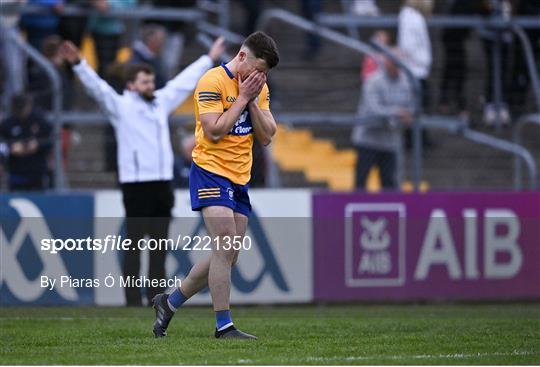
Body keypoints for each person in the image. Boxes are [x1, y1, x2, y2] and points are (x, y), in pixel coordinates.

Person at [58, 37, 226, 306]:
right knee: (135, 245)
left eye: (151, 81)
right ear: (131, 85)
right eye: (145, 82)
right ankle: (132, 300)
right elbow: (97, 88)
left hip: (162, 183)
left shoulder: (160, 101)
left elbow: (183, 82)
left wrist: (209, 57)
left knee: (159, 246)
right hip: (135, 185)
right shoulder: (121, 106)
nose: (151, 86)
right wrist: (78, 63)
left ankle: (155, 298)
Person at [151, 31, 279, 340]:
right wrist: (245, 100)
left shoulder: (257, 87)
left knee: (229, 254)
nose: (260, 77)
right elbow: (215, 130)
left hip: (240, 177)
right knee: (224, 243)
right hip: (210, 171)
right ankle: (224, 326)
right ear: (242, 56)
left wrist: (253, 103)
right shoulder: (212, 81)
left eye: (265, 73)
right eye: (258, 69)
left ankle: (169, 303)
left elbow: (267, 135)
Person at [352, 49, 414, 190]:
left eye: (400, 62)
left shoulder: (407, 83)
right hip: (368, 140)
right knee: (360, 181)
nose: (397, 65)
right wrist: (398, 113)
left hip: (389, 142)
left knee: (389, 184)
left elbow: (411, 107)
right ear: (386, 61)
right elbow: (374, 109)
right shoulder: (373, 81)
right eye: (394, 61)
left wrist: (407, 114)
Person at [0, 94, 52, 191]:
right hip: (16, 172)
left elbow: (50, 141)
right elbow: (2, 144)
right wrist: (11, 148)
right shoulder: (8, 124)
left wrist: (37, 145)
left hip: (37, 172)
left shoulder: (40, 121)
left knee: (39, 200)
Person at [130, 24, 167, 89]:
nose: (163, 44)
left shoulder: (153, 58)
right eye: (161, 40)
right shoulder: (136, 60)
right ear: (151, 40)